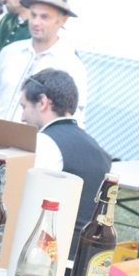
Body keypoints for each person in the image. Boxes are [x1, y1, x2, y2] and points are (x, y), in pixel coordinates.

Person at [18, 69, 111, 259]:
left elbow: (22, 202)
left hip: (45, 256)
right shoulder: (100, 152)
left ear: (42, 102)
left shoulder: (45, 143)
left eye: (24, 106)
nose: (22, 117)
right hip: (83, 257)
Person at [0, 0, 87, 123]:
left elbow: (73, 119)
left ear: (62, 20)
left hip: (36, 143)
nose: (35, 22)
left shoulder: (71, 65)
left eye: (44, 17)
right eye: (33, 15)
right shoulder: (10, 52)